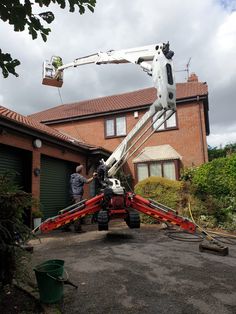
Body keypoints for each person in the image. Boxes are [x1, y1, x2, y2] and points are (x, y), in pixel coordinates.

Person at [69, 165, 97, 232]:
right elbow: (87, 181)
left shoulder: (72, 176)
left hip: (72, 195)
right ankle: (77, 228)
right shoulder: (79, 177)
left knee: (71, 211)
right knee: (78, 212)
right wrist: (93, 177)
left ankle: (65, 226)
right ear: (81, 171)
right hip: (78, 196)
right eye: (82, 169)